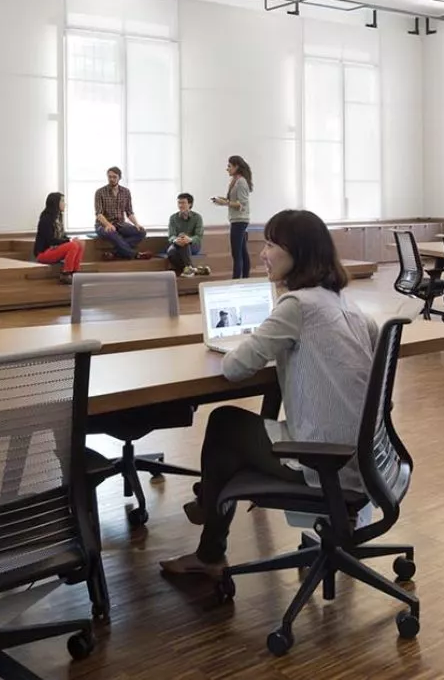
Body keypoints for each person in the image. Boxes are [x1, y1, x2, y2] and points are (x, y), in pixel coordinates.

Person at [159, 209, 378, 583]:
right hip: (366, 460)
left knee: (225, 425)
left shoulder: (297, 305)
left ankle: (209, 520)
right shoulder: (347, 306)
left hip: (328, 461)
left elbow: (234, 368)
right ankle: (209, 507)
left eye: (272, 245)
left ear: (301, 252)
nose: (263, 253)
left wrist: (249, 342)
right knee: (235, 441)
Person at [211, 155, 255, 280]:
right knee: (242, 252)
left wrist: (225, 203)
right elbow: (232, 200)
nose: (227, 169)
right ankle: (245, 279)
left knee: (236, 253)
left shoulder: (241, 181)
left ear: (236, 167)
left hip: (240, 220)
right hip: (236, 219)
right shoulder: (235, 181)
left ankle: (236, 281)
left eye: (229, 166)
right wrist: (221, 200)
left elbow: (241, 204)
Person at [92, 166, 147, 258]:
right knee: (112, 232)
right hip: (102, 225)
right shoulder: (100, 192)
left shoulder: (126, 192)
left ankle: (114, 253)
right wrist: (108, 225)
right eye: (109, 177)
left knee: (141, 232)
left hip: (120, 224)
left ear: (119, 178)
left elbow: (129, 212)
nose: (111, 179)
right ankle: (135, 255)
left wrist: (137, 224)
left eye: (114, 177)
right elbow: (98, 214)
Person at [34, 192, 86, 275]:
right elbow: (51, 241)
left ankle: (75, 272)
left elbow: (62, 236)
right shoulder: (46, 219)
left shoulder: (58, 217)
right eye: (62, 201)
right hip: (44, 253)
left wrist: (71, 239)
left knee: (80, 243)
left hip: (54, 249)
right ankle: (66, 273)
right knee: (73, 245)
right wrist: (69, 241)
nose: (64, 204)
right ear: (55, 203)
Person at [165, 193, 206, 272]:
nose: (180, 205)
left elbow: (199, 236)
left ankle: (189, 268)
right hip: (177, 243)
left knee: (185, 244)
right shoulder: (173, 217)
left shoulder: (197, 217)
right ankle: (191, 269)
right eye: (179, 203)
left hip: (193, 244)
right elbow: (171, 235)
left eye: (183, 203)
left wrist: (189, 239)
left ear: (190, 204)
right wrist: (175, 240)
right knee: (170, 252)